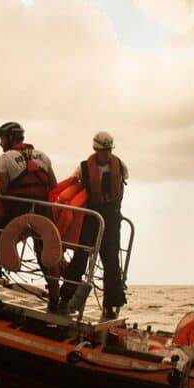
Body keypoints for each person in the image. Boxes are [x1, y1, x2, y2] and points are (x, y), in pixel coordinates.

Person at [0, 122, 61, 309]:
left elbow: (3, 189)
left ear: (10, 138)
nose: (0, 143)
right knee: (45, 251)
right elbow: (53, 184)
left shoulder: (5, 158)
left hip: (18, 209)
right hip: (43, 210)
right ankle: (55, 296)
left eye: (1, 138)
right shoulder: (43, 155)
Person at [61, 131, 129, 319]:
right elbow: (72, 186)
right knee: (80, 258)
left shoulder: (120, 166)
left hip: (112, 220)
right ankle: (65, 299)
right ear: (95, 149)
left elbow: (121, 190)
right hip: (90, 219)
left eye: (108, 150)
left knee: (111, 262)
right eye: (102, 150)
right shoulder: (83, 168)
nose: (105, 154)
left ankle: (110, 305)